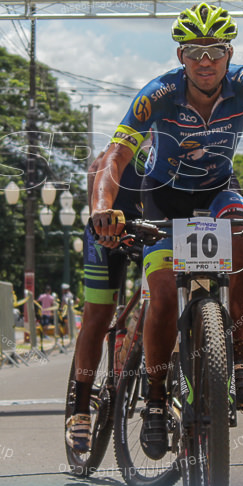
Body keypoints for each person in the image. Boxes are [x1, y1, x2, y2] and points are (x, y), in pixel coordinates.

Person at [91, 2, 243, 459]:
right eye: (194, 52)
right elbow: (115, 157)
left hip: (217, 189)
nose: (206, 61)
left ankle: (239, 358)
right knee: (161, 293)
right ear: (180, 57)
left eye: (215, 50)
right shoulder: (158, 93)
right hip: (162, 196)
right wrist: (101, 209)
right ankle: (155, 401)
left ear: (229, 52)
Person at [65, 145, 145, 453]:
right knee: (98, 317)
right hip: (108, 231)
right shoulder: (116, 154)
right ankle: (81, 407)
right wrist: (101, 219)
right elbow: (97, 179)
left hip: (157, 231)